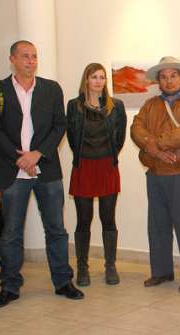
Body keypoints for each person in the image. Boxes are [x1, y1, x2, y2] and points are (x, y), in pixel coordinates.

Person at [0, 40, 84, 309]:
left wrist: (37, 154)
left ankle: (63, 282)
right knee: (11, 233)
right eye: (25, 56)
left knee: (56, 230)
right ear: (12, 59)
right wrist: (20, 158)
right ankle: (10, 287)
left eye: (34, 57)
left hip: (46, 171)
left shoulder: (51, 89)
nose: (31, 61)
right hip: (11, 171)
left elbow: (59, 125)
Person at [131, 56, 180, 292]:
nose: (168, 81)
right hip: (155, 173)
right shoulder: (150, 105)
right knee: (157, 227)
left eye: (173, 76)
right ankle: (161, 272)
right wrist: (154, 150)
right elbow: (136, 128)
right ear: (158, 81)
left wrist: (157, 145)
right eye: (163, 77)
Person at [66, 63, 126, 286]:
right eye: (94, 77)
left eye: (102, 77)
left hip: (107, 167)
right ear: (86, 80)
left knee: (108, 219)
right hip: (84, 167)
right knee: (83, 220)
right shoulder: (74, 106)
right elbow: (72, 138)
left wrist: (105, 156)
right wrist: (87, 156)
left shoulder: (116, 106)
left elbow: (119, 139)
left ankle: (110, 266)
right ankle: (82, 268)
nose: (99, 81)